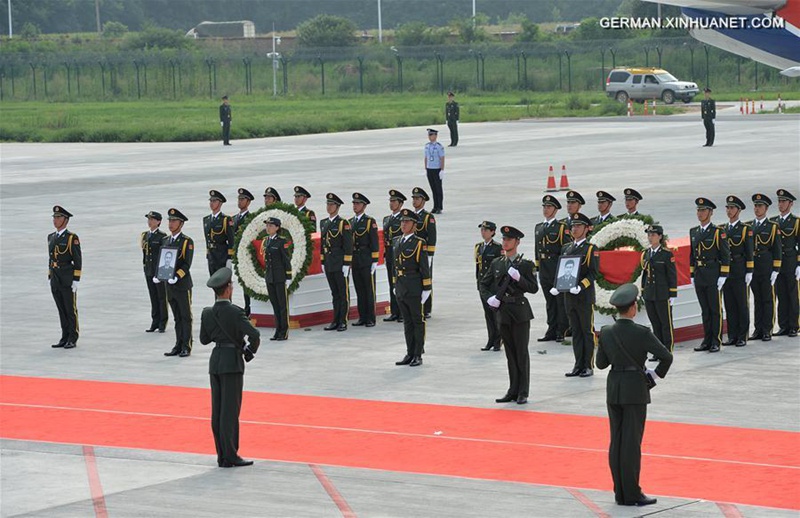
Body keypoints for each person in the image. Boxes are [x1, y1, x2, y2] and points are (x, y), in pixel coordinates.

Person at [595, 283, 673, 507]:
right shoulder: (641, 332)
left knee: (616, 441)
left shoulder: (607, 332)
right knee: (631, 444)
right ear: (633, 308)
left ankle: (619, 492)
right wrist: (654, 376)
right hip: (635, 390)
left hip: (614, 389)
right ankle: (632, 493)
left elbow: (601, 364)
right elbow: (666, 356)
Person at [200, 267, 260, 468]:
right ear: (227, 289)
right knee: (230, 412)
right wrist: (250, 350)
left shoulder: (207, 313)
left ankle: (222, 456)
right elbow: (255, 334)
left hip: (215, 362)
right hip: (232, 363)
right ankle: (231, 454)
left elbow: (204, 339)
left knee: (217, 411)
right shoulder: (235, 312)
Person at [481, 226, 539, 404]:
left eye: (509, 239)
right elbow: (483, 284)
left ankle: (523, 391)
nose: (505, 242)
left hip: (520, 312)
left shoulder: (526, 264)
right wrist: (490, 298)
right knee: (510, 354)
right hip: (503, 312)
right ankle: (512, 390)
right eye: (504, 239)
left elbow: (533, 288)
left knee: (521, 353)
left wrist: (519, 279)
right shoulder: (497, 263)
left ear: (517, 242)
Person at [551, 212, 598, 378]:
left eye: (578, 226)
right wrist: (557, 286)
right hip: (569, 297)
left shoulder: (591, 249)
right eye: (573, 226)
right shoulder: (566, 248)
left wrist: (581, 286)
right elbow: (562, 270)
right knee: (576, 331)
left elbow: (593, 273)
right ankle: (578, 365)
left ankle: (588, 365)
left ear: (586, 229)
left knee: (586, 331)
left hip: (584, 296)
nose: (574, 229)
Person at [689, 198, 731, 352]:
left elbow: (725, 255)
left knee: (715, 310)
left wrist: (723, 275)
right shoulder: (694, 231)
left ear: (710, 212)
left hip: (713, 274)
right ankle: (706, 339)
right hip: (700, 274)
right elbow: (692, 255)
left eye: (703, 210)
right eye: (698, 210)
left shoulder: (718, 232)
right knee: (705, 310)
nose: (700, 213)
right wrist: (692, 274)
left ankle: (716, 340)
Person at [393, 209, 431, 367]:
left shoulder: (419, 243)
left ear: (414, 225)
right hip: (401, 286)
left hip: (414, 286)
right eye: (402, 221)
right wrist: (395, 284)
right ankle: (409, 352)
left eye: (407, 222)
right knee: (407, 322)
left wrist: (427, 288)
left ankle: (418, 354)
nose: (403, 224)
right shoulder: (397, 241)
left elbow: (424, 267)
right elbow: (395, 265)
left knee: (417, 321)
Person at [535, 195, 571, 343]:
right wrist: (537, 268)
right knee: (550, 302)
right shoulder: (539, 227)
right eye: (544, 206)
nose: (546, 209)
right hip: (544, 269)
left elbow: (566, 249)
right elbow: (537, 249)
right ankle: (551, 329)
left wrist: (564, 270)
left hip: (556, 267)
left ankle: (561, 330)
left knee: (560, 302)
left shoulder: (561, 227)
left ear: (555, 210)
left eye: (549, 207)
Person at [159, 208, 194, 358]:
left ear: (181, 223)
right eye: (170, 220)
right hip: (169, 285)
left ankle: (186, 346)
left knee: (185, 316)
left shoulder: (186, 242)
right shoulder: (165, 240)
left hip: (182, 284)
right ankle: (178, 344)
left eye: (174, 221)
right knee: (177, 317)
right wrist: (159, 275)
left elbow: (187, 264)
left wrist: (177, 276)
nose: (171, 224)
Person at [640, 225, 678, 358]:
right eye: (649, 235)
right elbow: (645, 275)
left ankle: (667, 350)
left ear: (660, 236)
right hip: (650, 293)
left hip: (662, 293)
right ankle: (658, 351)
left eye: (653, 235)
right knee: (655, 323)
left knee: (665, 323)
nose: (650, 238)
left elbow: (672, 275)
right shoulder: (645, 253)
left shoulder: (666, 254)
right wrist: (643, 291)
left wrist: (673, 294)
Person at [749, 193, 782, 341]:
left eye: (760, 206)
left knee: (768, 299)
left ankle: (767, 329)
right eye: (755, 206)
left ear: (766, 208)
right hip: (754, 267)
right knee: (757, 299)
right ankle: (758, 329)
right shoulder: (749, 226)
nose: (757, 208)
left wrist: (776, 269)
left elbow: (777, 249)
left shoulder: (772, 227)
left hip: (766, 266)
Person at [48, 205, 82, 350]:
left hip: (67, 278)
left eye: (58, 217)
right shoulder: (51, 237)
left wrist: (76, 280)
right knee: (61, 309)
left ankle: (72, 337)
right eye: (54, 217)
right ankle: (64, 336)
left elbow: (78, 260)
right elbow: (51, 258)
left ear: (65, 220)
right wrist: (50, 275)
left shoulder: (72, 238)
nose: (55, 220)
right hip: (55, 278)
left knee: (70, 310)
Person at [722, 196, 753, 347]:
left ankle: (742, 335)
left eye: (732, 208)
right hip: (727, 271)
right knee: (729, 305)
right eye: (728, 208)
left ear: (739, 210)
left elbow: (749, 251)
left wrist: (749, 271)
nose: (729, 211)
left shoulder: (745, 229)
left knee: (741, 304)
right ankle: (732, 335)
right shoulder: (722, 229)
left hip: (740, 270)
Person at [320, 193, 353, 331]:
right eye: (327, 204)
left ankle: (343, 320)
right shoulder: (324, 223)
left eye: (331, 204)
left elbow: (348, 245)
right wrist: (322, 261)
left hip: (339, 262)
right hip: (329, 262)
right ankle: (335, 320)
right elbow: (322, 243)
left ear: (337, 206)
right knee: (334, 293)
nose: (329, 207)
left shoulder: (343, 223)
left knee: (343, 293)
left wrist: (346, 263)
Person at [350, 192, 380, 327]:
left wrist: (375, 260)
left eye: (358, 203)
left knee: (369, 290)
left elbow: (374, 242)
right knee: (359, 290)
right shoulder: (350, 222)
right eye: (354, 203)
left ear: (364, 206)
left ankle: (370, 318)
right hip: (355, 260)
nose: (355, 206)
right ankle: (362, 316)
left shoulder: (369, 222)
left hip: (366, 259)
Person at [773, 189, 799, 337]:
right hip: (778, 263)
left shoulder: (796, 222)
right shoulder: (773, 222)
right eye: (779, 201)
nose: (781, 204)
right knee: (781, 295)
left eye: (783, 201)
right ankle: (783, 325)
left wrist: (799, 264)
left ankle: (794, 325)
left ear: (790, 204)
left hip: (791, 262)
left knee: (792, 294)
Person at [262, 217, 292, 341]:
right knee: (275, 304)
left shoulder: (281, 242)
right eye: (267, 225)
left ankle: (284, 331)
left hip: (280, 277)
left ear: (277, 227)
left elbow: (286, 260)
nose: (268, 228)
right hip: (270, 277)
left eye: (271, 225)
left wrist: (288, 276)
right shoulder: (266, 241)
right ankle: (277, 330)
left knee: (282, 305)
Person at [475, 221, 503, 351]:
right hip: (483, 284)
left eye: (486, 230)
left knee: (495, 313)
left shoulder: (497, 248)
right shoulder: (478, 247)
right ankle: (490, 339)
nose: (483, 232)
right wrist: (478, 282)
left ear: (492, 232)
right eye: (482, 230)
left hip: (493, 285)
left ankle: (498, 340)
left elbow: (500, 266)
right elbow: (478, 267)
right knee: (487, 313)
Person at [411, 187, 437, 318]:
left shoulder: (428, 217)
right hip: (412, 253)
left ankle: (426, 308)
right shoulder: (410, 216)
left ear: (423, 200)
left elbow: (432, 237)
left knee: (425, 280)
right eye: (414, 198)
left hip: (423, 253)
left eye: (417, 198)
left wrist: (430, 255)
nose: (414, 201)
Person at [142, 211, 168, 333]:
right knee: (153, 296)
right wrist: (145, 267)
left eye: (152, 219)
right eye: (149, 219)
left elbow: (164, 255)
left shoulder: (162, 236)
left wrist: (161, 272)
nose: (150, 222)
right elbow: (145, 254)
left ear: (158, 222)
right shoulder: (145, 235)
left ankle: (162, 322)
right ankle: (155, 321)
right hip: (149, 270)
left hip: (159, 271)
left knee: (161, 297)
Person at [383, 190, 406, 323]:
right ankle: (394, 311)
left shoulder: (404, 219)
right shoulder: (387, 219)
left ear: (400, 203)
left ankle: (402, 312)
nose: (391, 204)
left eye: (394, 201)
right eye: (390, 201)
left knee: (400, 283)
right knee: (391, 282)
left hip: (399, 254)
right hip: (389, 253)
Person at [233, 188, 254, 316]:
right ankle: (247, 308)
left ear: (248, 202)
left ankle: (249, 308)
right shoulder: (234, 218)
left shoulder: (251, 218)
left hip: (246, 256)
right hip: (238, 256)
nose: (240, 201)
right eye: (239, 199)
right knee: (243, 283)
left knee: (248, 284)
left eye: (242, 199)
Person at [203, 190, 235, 276]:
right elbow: (207, 238)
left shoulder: (225, 219)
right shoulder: (206, 219)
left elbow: (231, 240)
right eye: (211, 201)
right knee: (212, 280)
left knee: (223, 281)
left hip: (222, 255)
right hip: (211, 255)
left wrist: (230, 258)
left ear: (220, 203)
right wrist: (208, 254)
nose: (211, 203)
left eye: (214, 201)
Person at [423, 128, 446, 214]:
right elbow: (426, 158)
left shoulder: (439, 146)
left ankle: (439, 207)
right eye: (429, 135)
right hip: (430, 169)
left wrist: (442, 170)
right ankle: (435, 206)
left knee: (438, 189)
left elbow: (442, 158)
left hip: (437, 169)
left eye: (431, 135)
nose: (429, 137)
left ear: (435, 136)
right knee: (433, 189)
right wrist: (426, 168)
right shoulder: (427, 146)